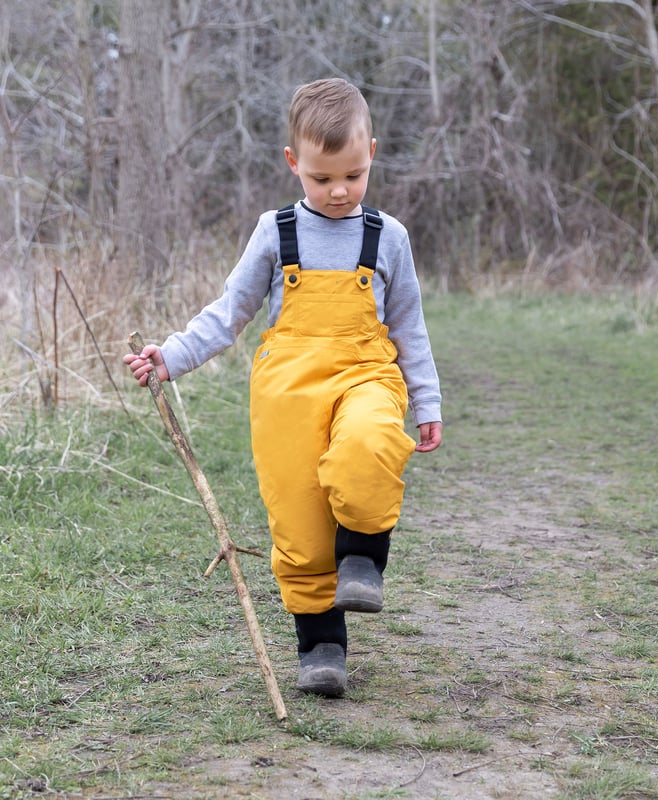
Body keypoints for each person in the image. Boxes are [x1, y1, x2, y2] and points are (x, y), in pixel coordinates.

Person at [124, 78, 442, 698]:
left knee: (372, 440)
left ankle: (363, 558)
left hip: (364, 372)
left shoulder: (389, 237)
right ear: (294, 163)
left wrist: (425, 401)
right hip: (286, 393)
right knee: (298, 527)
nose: (339, 191)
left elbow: (410, 327)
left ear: (371, 153)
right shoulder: (275, 233)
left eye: (353, 175)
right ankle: (321, 645)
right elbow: (229, 313)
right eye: (322, 179)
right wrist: (173, 356)